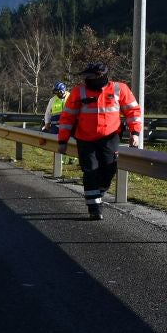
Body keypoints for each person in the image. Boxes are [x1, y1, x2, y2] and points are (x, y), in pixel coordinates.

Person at [56, 62, 143, 220]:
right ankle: (94, 208)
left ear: (101, 76)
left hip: (110, 138)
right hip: (85, 139)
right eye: (86, 77)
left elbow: (133, 111)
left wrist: (135, 132)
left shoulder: (119, 89)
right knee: (90, 171)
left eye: (90, 76)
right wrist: (63, 140)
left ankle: (98, 193)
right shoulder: (78, 92)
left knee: (108, 170)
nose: (87, 79)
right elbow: (67, 117)